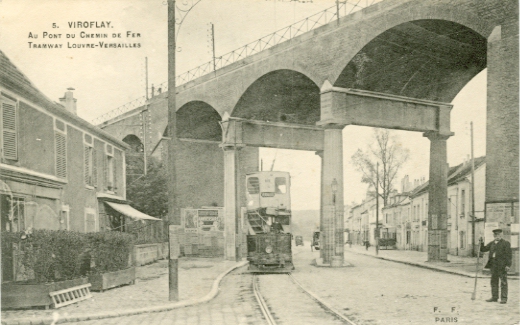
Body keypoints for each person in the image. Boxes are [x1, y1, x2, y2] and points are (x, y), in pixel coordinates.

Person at [480, 228, 512, 304]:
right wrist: (481, 242)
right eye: (495, 235)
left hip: (502, 266)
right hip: (493, 265)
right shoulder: (492, 243)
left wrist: (508, 265)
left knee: (503, 282)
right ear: (494, 235)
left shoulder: (506, 243)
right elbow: (483, 249)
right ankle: (494, 297)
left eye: (499, 235)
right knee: (494, 281)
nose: (497, 236)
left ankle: (504, 298)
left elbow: (509, 255)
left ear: (501, 235)